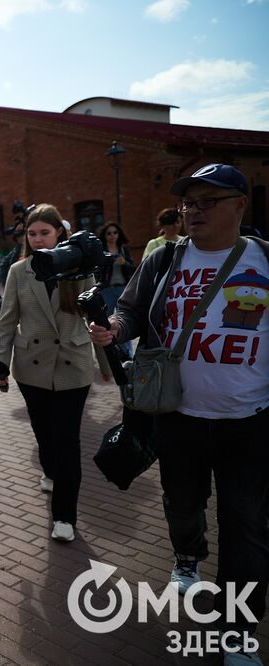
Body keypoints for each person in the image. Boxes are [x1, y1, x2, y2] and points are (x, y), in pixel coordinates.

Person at [90, 164, 268, 659]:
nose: (194, 211)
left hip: (250, 421)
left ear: (239, 205)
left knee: (248, 528)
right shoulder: (165, 258)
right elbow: (128, 312)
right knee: (182, 502)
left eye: (208, 201)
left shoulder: (265, 261)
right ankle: (187, 555)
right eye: (189, 203)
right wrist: (112, 329)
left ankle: (237, 632)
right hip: (178, 415)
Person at [0, 204, 110, 543]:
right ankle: (48, 471)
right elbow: (7, 321)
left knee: (67, 440)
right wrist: (0, 360)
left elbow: (96, 318)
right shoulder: (19, 270)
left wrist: (106, 365)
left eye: (45, 232)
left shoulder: (80, 268)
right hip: (31, 368)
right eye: (32, 233)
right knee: (44, 435)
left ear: (60, 232)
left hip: (74, 365)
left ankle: (65, 516)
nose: (38, 239)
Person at [97, 221, 136, 358]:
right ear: (105, 235)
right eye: (109, 233)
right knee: (107, 322)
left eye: (115, 232)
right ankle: (114, 351)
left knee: (123, 321)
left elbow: (133, 268)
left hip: (122, 288)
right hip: (107, 289)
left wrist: (125, 263)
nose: (112, 236)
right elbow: (97, 270)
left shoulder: (123, 248)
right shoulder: (101, 250)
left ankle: (127, 353)